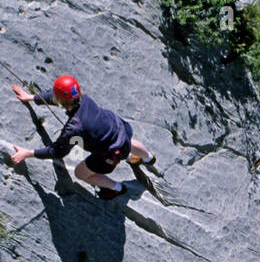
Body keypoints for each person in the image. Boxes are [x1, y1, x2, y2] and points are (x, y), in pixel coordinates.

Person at [8, 75, 155, 200]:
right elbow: (61, 98)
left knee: (81, 173)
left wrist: (27, 153)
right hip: (121, 128)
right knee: (128, 143)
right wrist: (32, 97)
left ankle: (117, 188)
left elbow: (57, 152)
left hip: (110, 152)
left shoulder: (74, 128)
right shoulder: (83, 98)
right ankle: (148, 158)